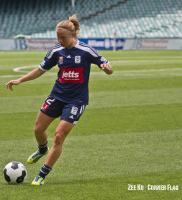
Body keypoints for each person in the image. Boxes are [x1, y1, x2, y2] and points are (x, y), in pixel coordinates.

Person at [6, 14, 113, 186]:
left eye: (62, 38)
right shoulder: (56, 51)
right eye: (58, 37)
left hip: (76, 101)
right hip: (57, 96)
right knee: (38, 129)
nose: (60, 41)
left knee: (58, 136)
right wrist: (20, 80)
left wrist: (107, 69)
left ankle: (42, 174)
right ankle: (42, 149)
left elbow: (109, 68)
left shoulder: (86, 51)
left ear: (73, 35)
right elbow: (40, 69)